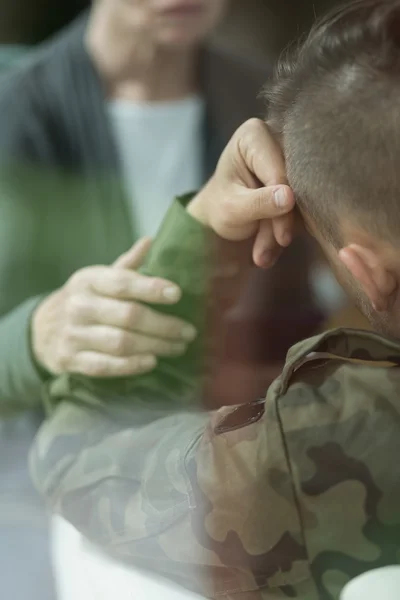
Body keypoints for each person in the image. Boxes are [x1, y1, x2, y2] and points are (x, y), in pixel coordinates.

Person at [31, 0, 400, 598]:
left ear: (366, 270)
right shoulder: (29, 103)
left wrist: (199, 234)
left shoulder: (341, 437)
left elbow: (79, 461)